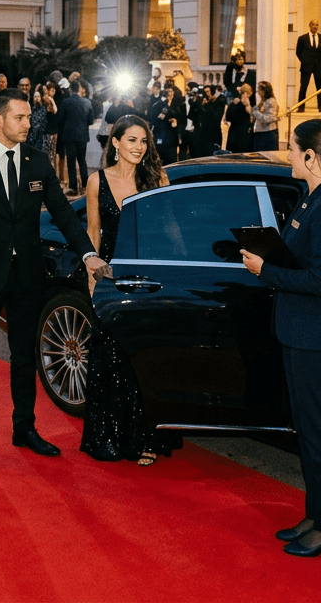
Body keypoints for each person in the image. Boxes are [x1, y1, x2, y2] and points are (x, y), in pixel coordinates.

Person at [0, 89, 109, 472]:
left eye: (29, 117)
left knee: (23, 357)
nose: (28, 124)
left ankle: (24, 429)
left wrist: (87, 252)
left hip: (28, 275)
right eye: (20, 118)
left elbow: (64, 213)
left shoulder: (36, 162)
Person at [240, 119, 321, 558]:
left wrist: (265, 271)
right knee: (309, 434)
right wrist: (268, 255)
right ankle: (316, 515)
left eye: (292, 149)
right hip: (301, 332)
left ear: (311, 157)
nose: (287, 155)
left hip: (320, 338)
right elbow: (300, 259)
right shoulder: (312, 197)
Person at [80, 115, 183, 466]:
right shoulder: (97, 181)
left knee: (143, 358)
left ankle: (147, 438)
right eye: (132, 140)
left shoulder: (156, 178)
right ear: (116, 143)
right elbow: (93, 232)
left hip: (146, 277)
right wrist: (91, 279)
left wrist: (179, 268)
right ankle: (111, 437)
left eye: (143, 141)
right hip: (111, 279)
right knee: (109, 359)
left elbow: (171, 230)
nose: (139, 147)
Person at [58, 80, 94, 193]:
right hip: (82, 136)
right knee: (82, 160)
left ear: (70, 89)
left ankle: (73, 187)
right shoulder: (87, 102)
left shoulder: (65, 102)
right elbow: (91, 120)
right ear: (79, 89)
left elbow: (60, 119)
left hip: (69, 137)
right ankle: (84, 186)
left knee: (71, 162)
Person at [295, 21, 321, 112]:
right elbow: (298, 52)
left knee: (320, 87)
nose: (315, 26)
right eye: (313, 25)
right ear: (309, 26)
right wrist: (305, 61)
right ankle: (301, 107)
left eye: (317, 25)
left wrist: (318, 62)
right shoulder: (302, 38)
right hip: (306, 66)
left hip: (319, 67)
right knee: (303, 86)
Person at [251, 80, 280, 151]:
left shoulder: (271, 101)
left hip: (267, 133)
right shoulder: (263, 101)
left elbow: (268, 118)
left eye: (259, 89)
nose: (258, 92)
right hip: (261, 132)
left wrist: (255, 112)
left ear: (265, 91)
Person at [224, 83, 254, 153]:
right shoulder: (249, 105)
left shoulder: (233, 104)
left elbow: (228, 117)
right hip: (245, 134)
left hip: (233, 133)